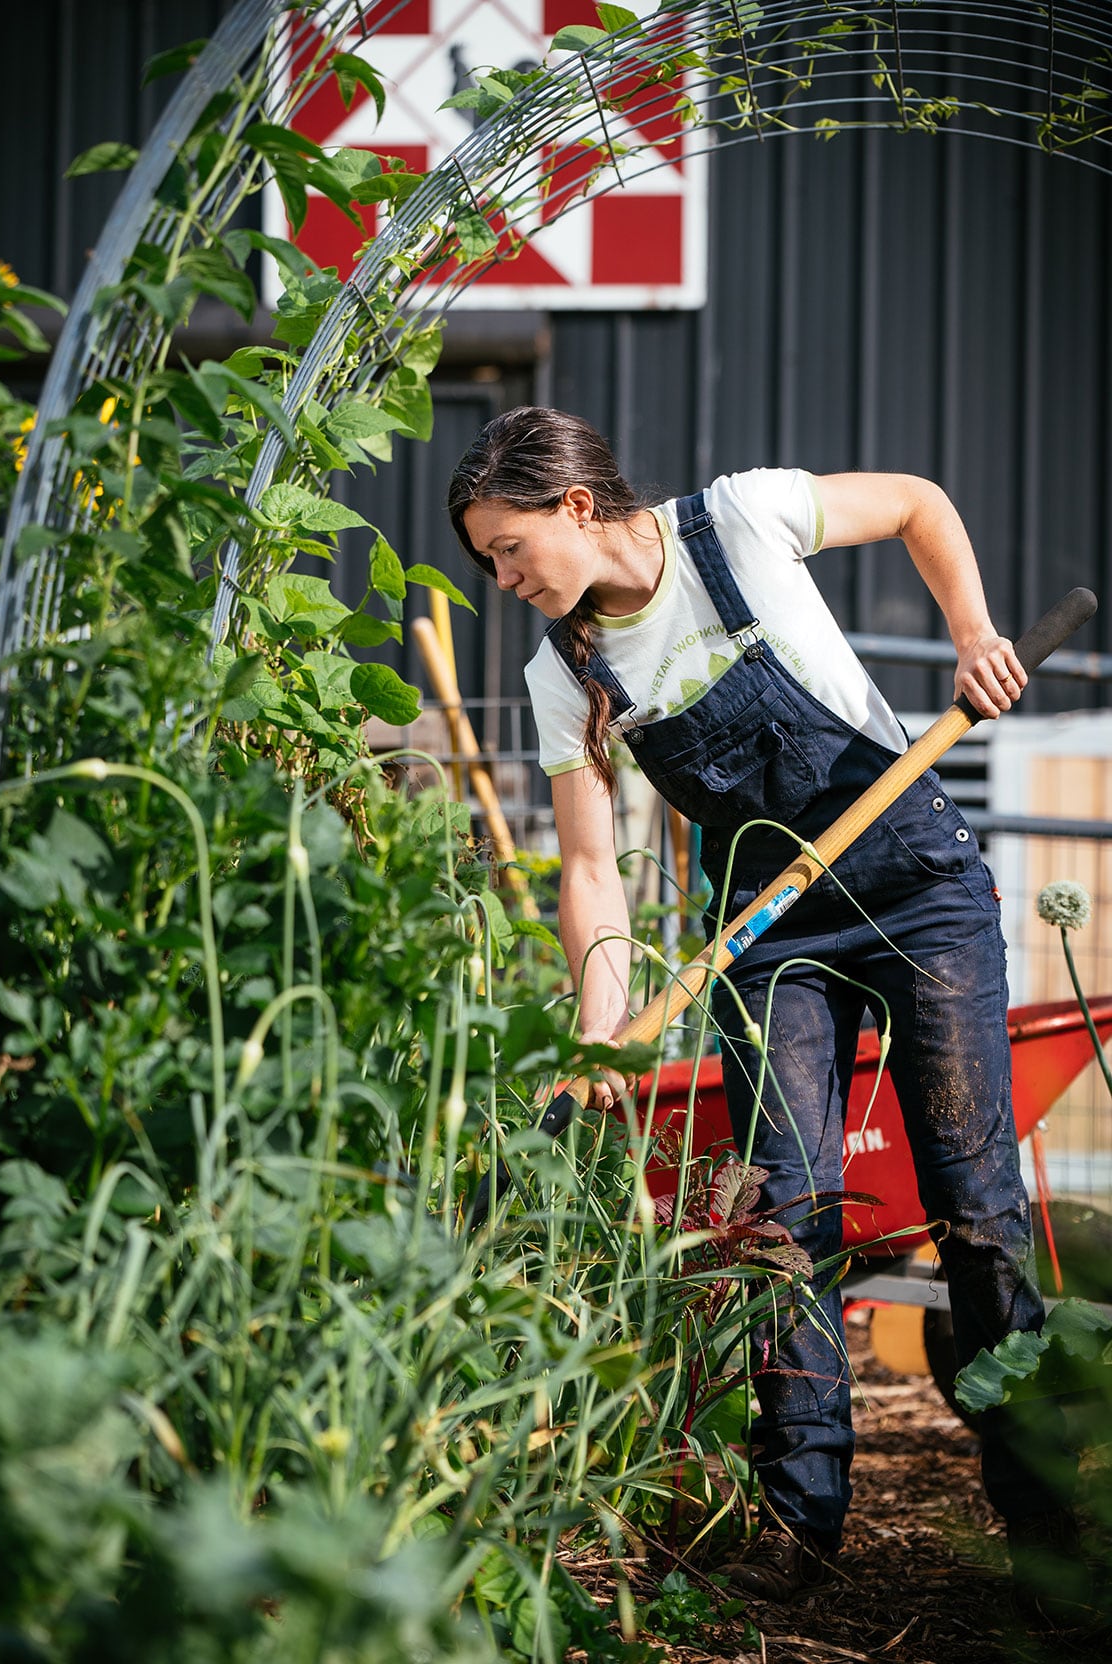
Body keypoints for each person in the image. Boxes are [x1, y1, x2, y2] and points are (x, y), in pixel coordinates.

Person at [448, 406, 1079, 1610]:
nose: (507, 578)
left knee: (975, 1199)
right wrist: (602, 1030)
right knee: (780, 1224)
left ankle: (1041, 1521)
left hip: (913, 884)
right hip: (767, 929)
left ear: (576, 505)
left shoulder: (738, 519)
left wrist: (973, 630)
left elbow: (916, 502)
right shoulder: (562, 670)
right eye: (490, 562)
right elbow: (590, 872)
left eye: (511, 547)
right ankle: (797, 1524)